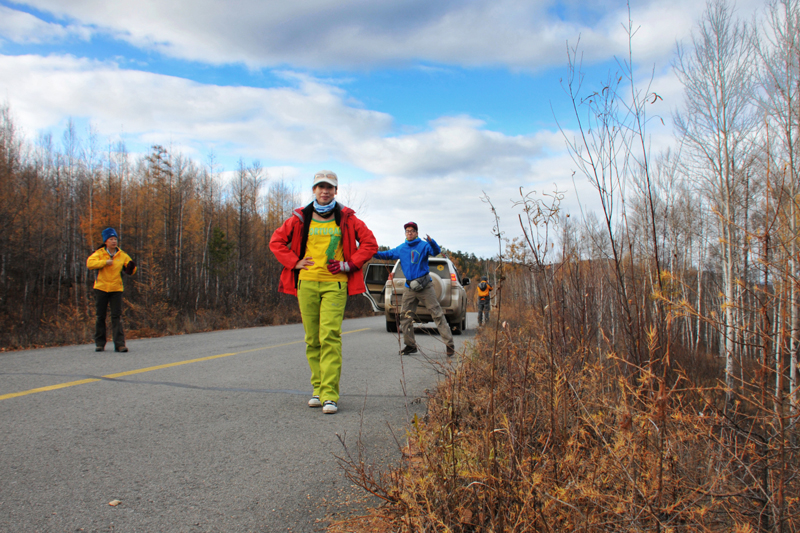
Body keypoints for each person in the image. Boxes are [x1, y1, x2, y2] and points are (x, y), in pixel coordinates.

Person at [269, 170, 378, 415]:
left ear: (336, 191)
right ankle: (317, 390)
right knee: (312, 339)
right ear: (314, 190)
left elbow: (370, 243)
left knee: (329, 336)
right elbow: (276, 242)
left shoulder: (347, 217)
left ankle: (330, 395)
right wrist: (294, 262)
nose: (325, 191)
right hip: (306, 283)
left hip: (334, 285)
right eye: (320, 186)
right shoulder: (301, 217)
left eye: (329, 187)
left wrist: (349, 265)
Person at [373, 222, 455, 357]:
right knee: (405, 316)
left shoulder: (424, 246)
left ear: (416, 233)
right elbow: (386, 254)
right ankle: (410, 345)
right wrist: (371, 252)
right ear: (405, 233)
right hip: (409, 287)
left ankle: (449, 345)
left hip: (425, 286)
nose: (409, 233)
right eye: (407, 231)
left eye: (412, 230)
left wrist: (432, 242)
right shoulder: (401, 248)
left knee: (437, 314)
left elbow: (435, 252)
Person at [86, 227, 137, 352]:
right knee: (100, 316)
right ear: (106, 241)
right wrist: (104, 262)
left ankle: (119, 344)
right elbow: (90, 264)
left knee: (116, 316)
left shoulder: (122, 255)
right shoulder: (99, 253)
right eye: (111, 239)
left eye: (115, 239)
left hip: (116, 289)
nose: (114, 241)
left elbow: (131, 268)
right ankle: (100, 343)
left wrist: (131, 268)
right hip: (101, 288)